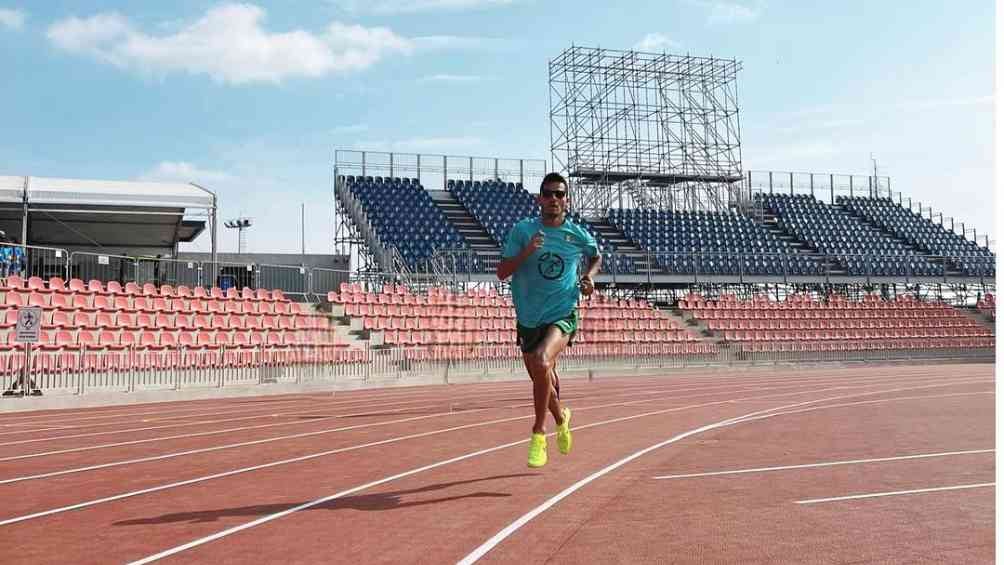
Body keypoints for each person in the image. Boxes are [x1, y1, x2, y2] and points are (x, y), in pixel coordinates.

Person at [496, 172, 602, 468]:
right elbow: (502, 272)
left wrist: (589, 278)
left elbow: (596, 256)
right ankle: (562, 418)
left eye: (559, 194)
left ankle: (538, 434)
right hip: (529, 317)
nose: (554, 198)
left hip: (562, 312)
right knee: (541, 378)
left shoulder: (576, 235)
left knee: (543, 362)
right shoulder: (522, 231)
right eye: (548, 193)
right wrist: (528, 251)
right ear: (539, 199)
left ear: (566, 199)